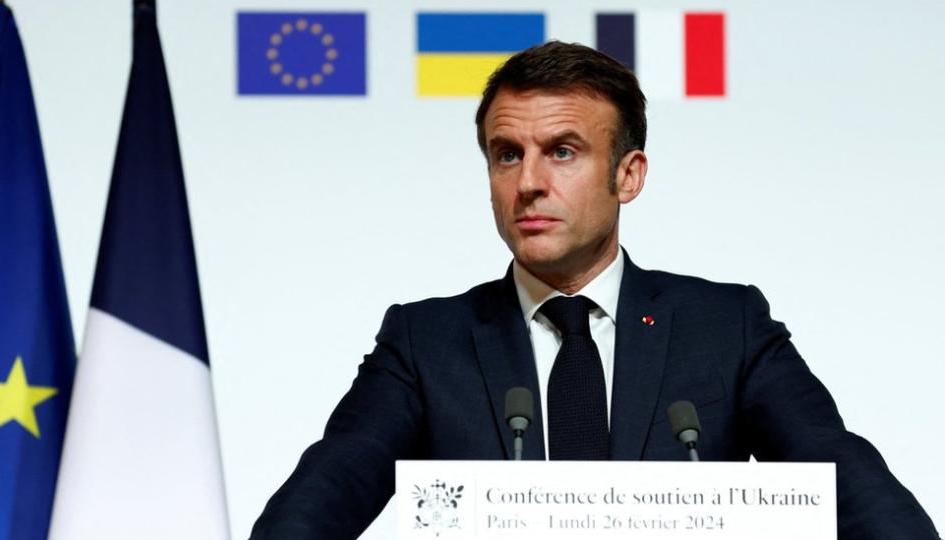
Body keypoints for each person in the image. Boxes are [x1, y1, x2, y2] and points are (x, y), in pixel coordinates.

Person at [251, 41, 938, 539]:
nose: (527, 183)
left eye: (563, 151)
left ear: (628, 175)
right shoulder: (425, 342)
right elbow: (320, 499)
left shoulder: (725, 327)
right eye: (506, 153)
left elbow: (854, 490)